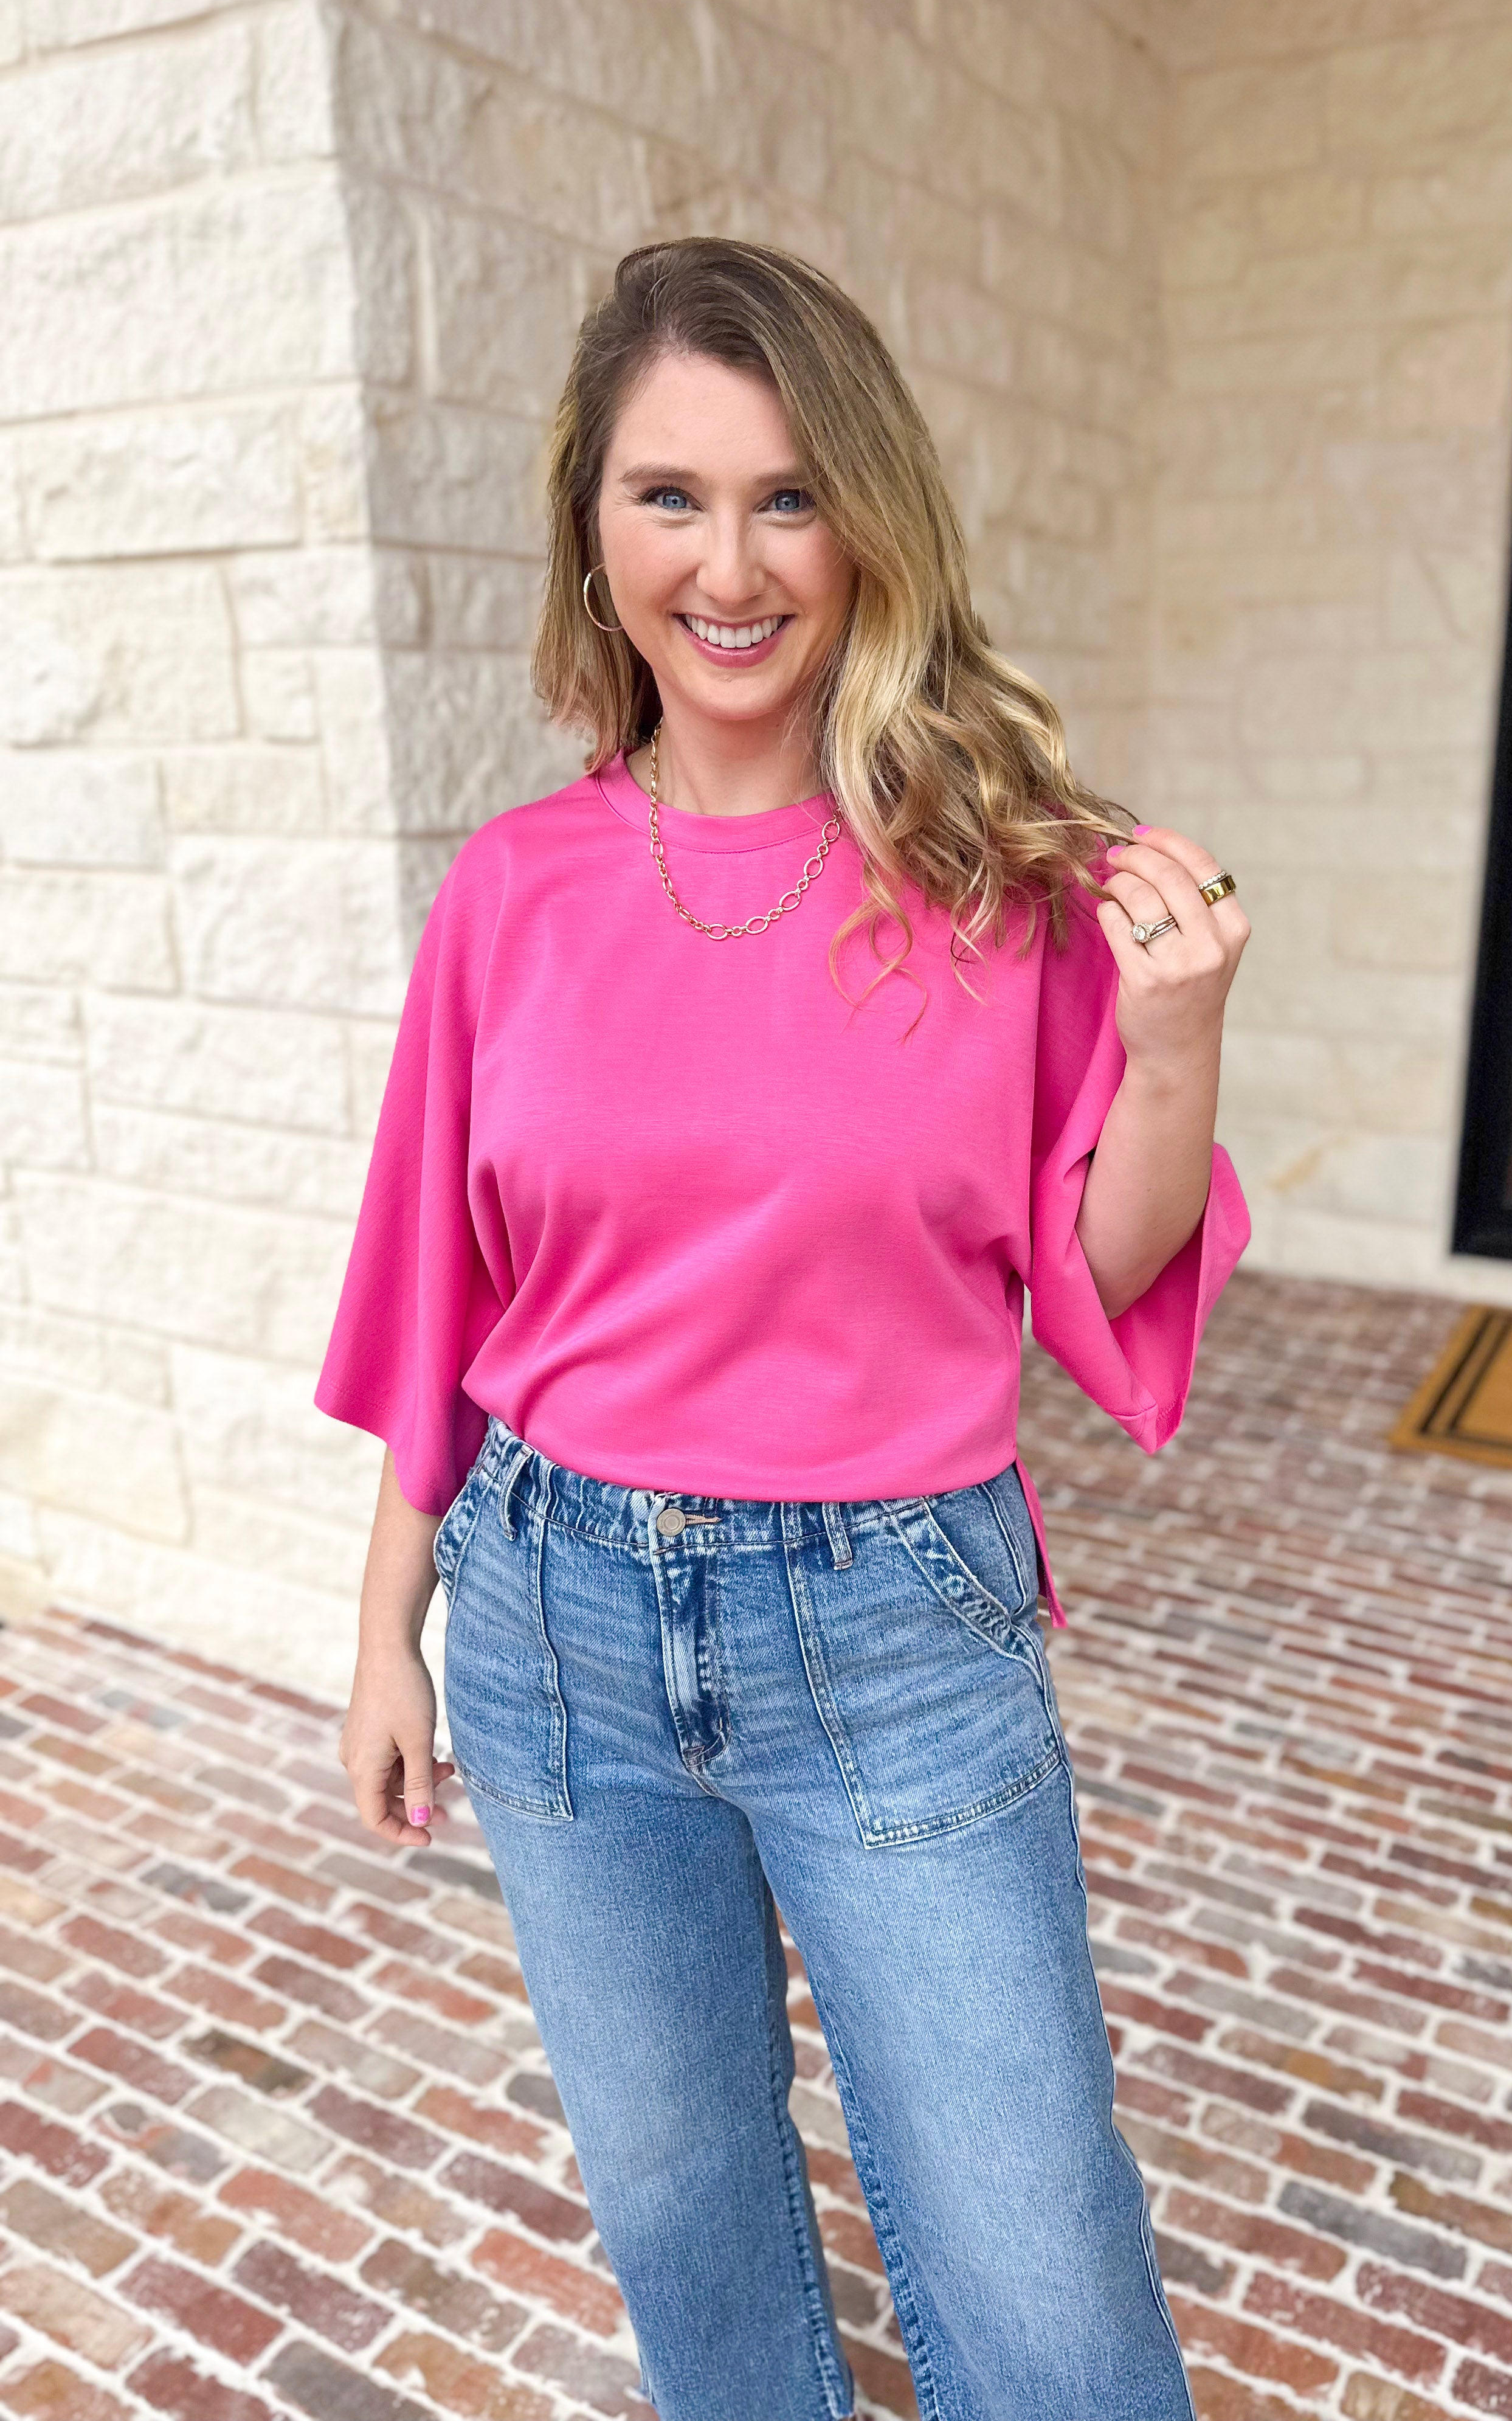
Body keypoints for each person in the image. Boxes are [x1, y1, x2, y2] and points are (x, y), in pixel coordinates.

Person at [317, 237, 1251, 2421]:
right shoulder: (511, 890)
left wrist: (1178, 1040)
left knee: (1040, 2269)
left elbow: (1101, 1268)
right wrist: (383, 1631)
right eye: (669, 496)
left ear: (865, 527)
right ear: (594, 528)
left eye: (786, 499)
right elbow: (447, 1294)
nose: (727, 568)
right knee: (685, 2218)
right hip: (553, 1620)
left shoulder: (994, 873)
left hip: (894, 1624)